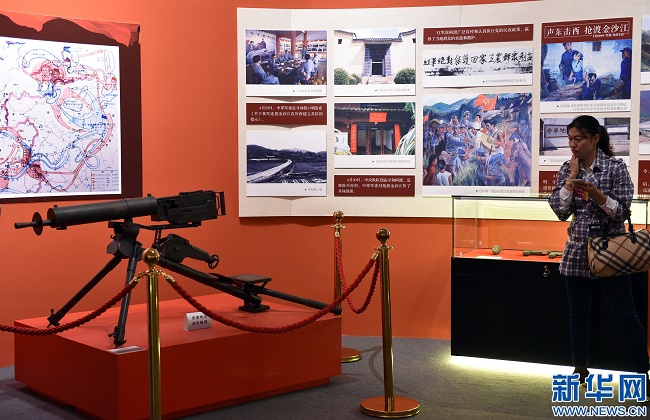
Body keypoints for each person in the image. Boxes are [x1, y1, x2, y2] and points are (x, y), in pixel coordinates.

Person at [548, 115, 649, 388]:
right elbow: (560, 211)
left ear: (595, 139)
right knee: (578, 314)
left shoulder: (616, 167)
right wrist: (571, 178)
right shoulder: (567, 169)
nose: (573, 144)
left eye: (579, 139)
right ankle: (580, 369)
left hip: (610, 250)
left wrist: (596, 194)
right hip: (578, 248)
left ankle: (643, 374)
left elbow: (623, 212)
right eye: (570, 139)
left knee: (625, 313)